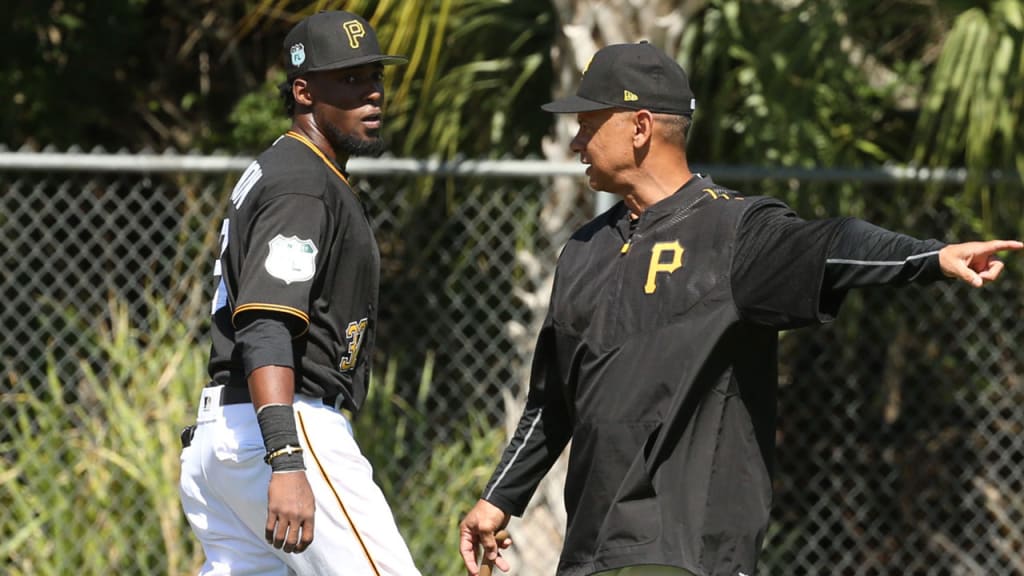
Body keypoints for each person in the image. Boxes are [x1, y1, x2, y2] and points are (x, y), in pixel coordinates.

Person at [458, 41, 1022, 576]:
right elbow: (551, 399)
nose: (576, 141)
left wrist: (930, 256)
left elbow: (833, 245)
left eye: (587, 122)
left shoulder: (732, 232)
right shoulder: (582, 252)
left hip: (691, 548)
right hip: (592, 550)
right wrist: (499, 498)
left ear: (639, 127)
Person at [179, 10, 421, 576]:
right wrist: (287, 458)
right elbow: (264, 323)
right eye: (350, 80)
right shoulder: (302, 182)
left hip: (226, 433)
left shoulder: (289, 169)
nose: (372, 94)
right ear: (304, 91)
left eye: (374, 76)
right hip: (286, 427)